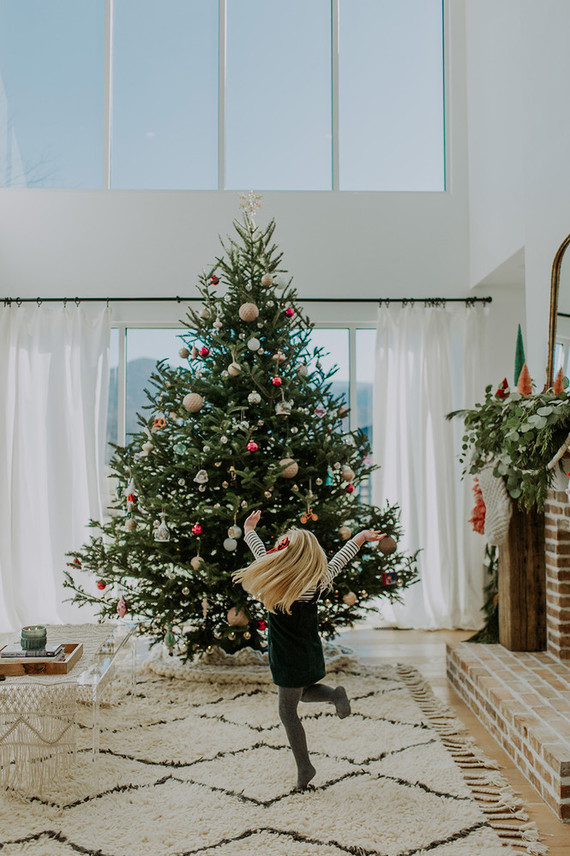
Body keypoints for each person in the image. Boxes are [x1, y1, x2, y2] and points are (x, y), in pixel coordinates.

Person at [233, 509, 387, 790]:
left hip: (287, 658)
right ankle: (335, 695)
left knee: (287, 711)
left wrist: (249, 530)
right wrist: (360, 538)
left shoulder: (275, 581)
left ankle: (305, 767)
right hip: (310, 652)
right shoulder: (315, 583)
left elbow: (258, 552)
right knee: (304, 692)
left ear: (282, 555)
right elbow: (341, 559)